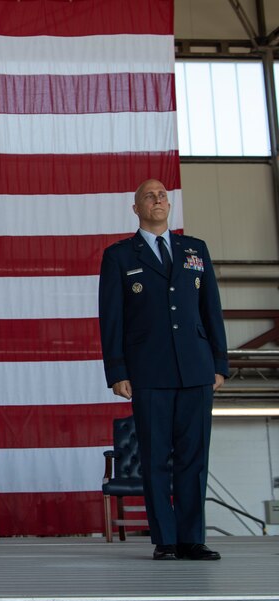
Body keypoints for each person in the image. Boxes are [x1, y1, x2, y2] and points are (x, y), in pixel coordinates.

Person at [98, 179, 228, 561]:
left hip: (196, 370)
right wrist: (117, 370)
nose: (158, 199)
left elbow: (212, 311)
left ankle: (192, 538)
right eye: (149, 196)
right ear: (135, 208)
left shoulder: (195, 250)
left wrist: (219, 363)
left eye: (163, 195)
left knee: (194, 457)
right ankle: (166, 540)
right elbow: (111, 319)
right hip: (148, 371)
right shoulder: (120, 256)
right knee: (156, 458)